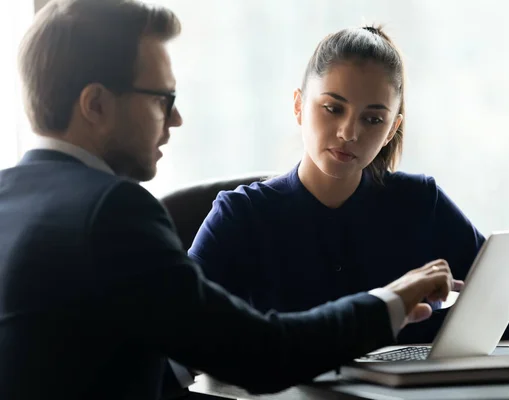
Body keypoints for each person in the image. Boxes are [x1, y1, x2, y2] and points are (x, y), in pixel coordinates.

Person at [0, 1, 462, 399]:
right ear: (96, 105)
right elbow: (259, 354)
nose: (176, 118)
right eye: (164, 98)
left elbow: (179, 353)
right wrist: (390, 303)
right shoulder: (113, 211)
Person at [189, 25, 509, 345]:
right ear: (299, 106)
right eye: (333, 108)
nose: (349, 133)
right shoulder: (240, 216)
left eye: (373, 119)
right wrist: (389, 314)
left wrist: (417, 325)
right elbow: (181, 330)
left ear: (392, 128)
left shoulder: (421, 203)